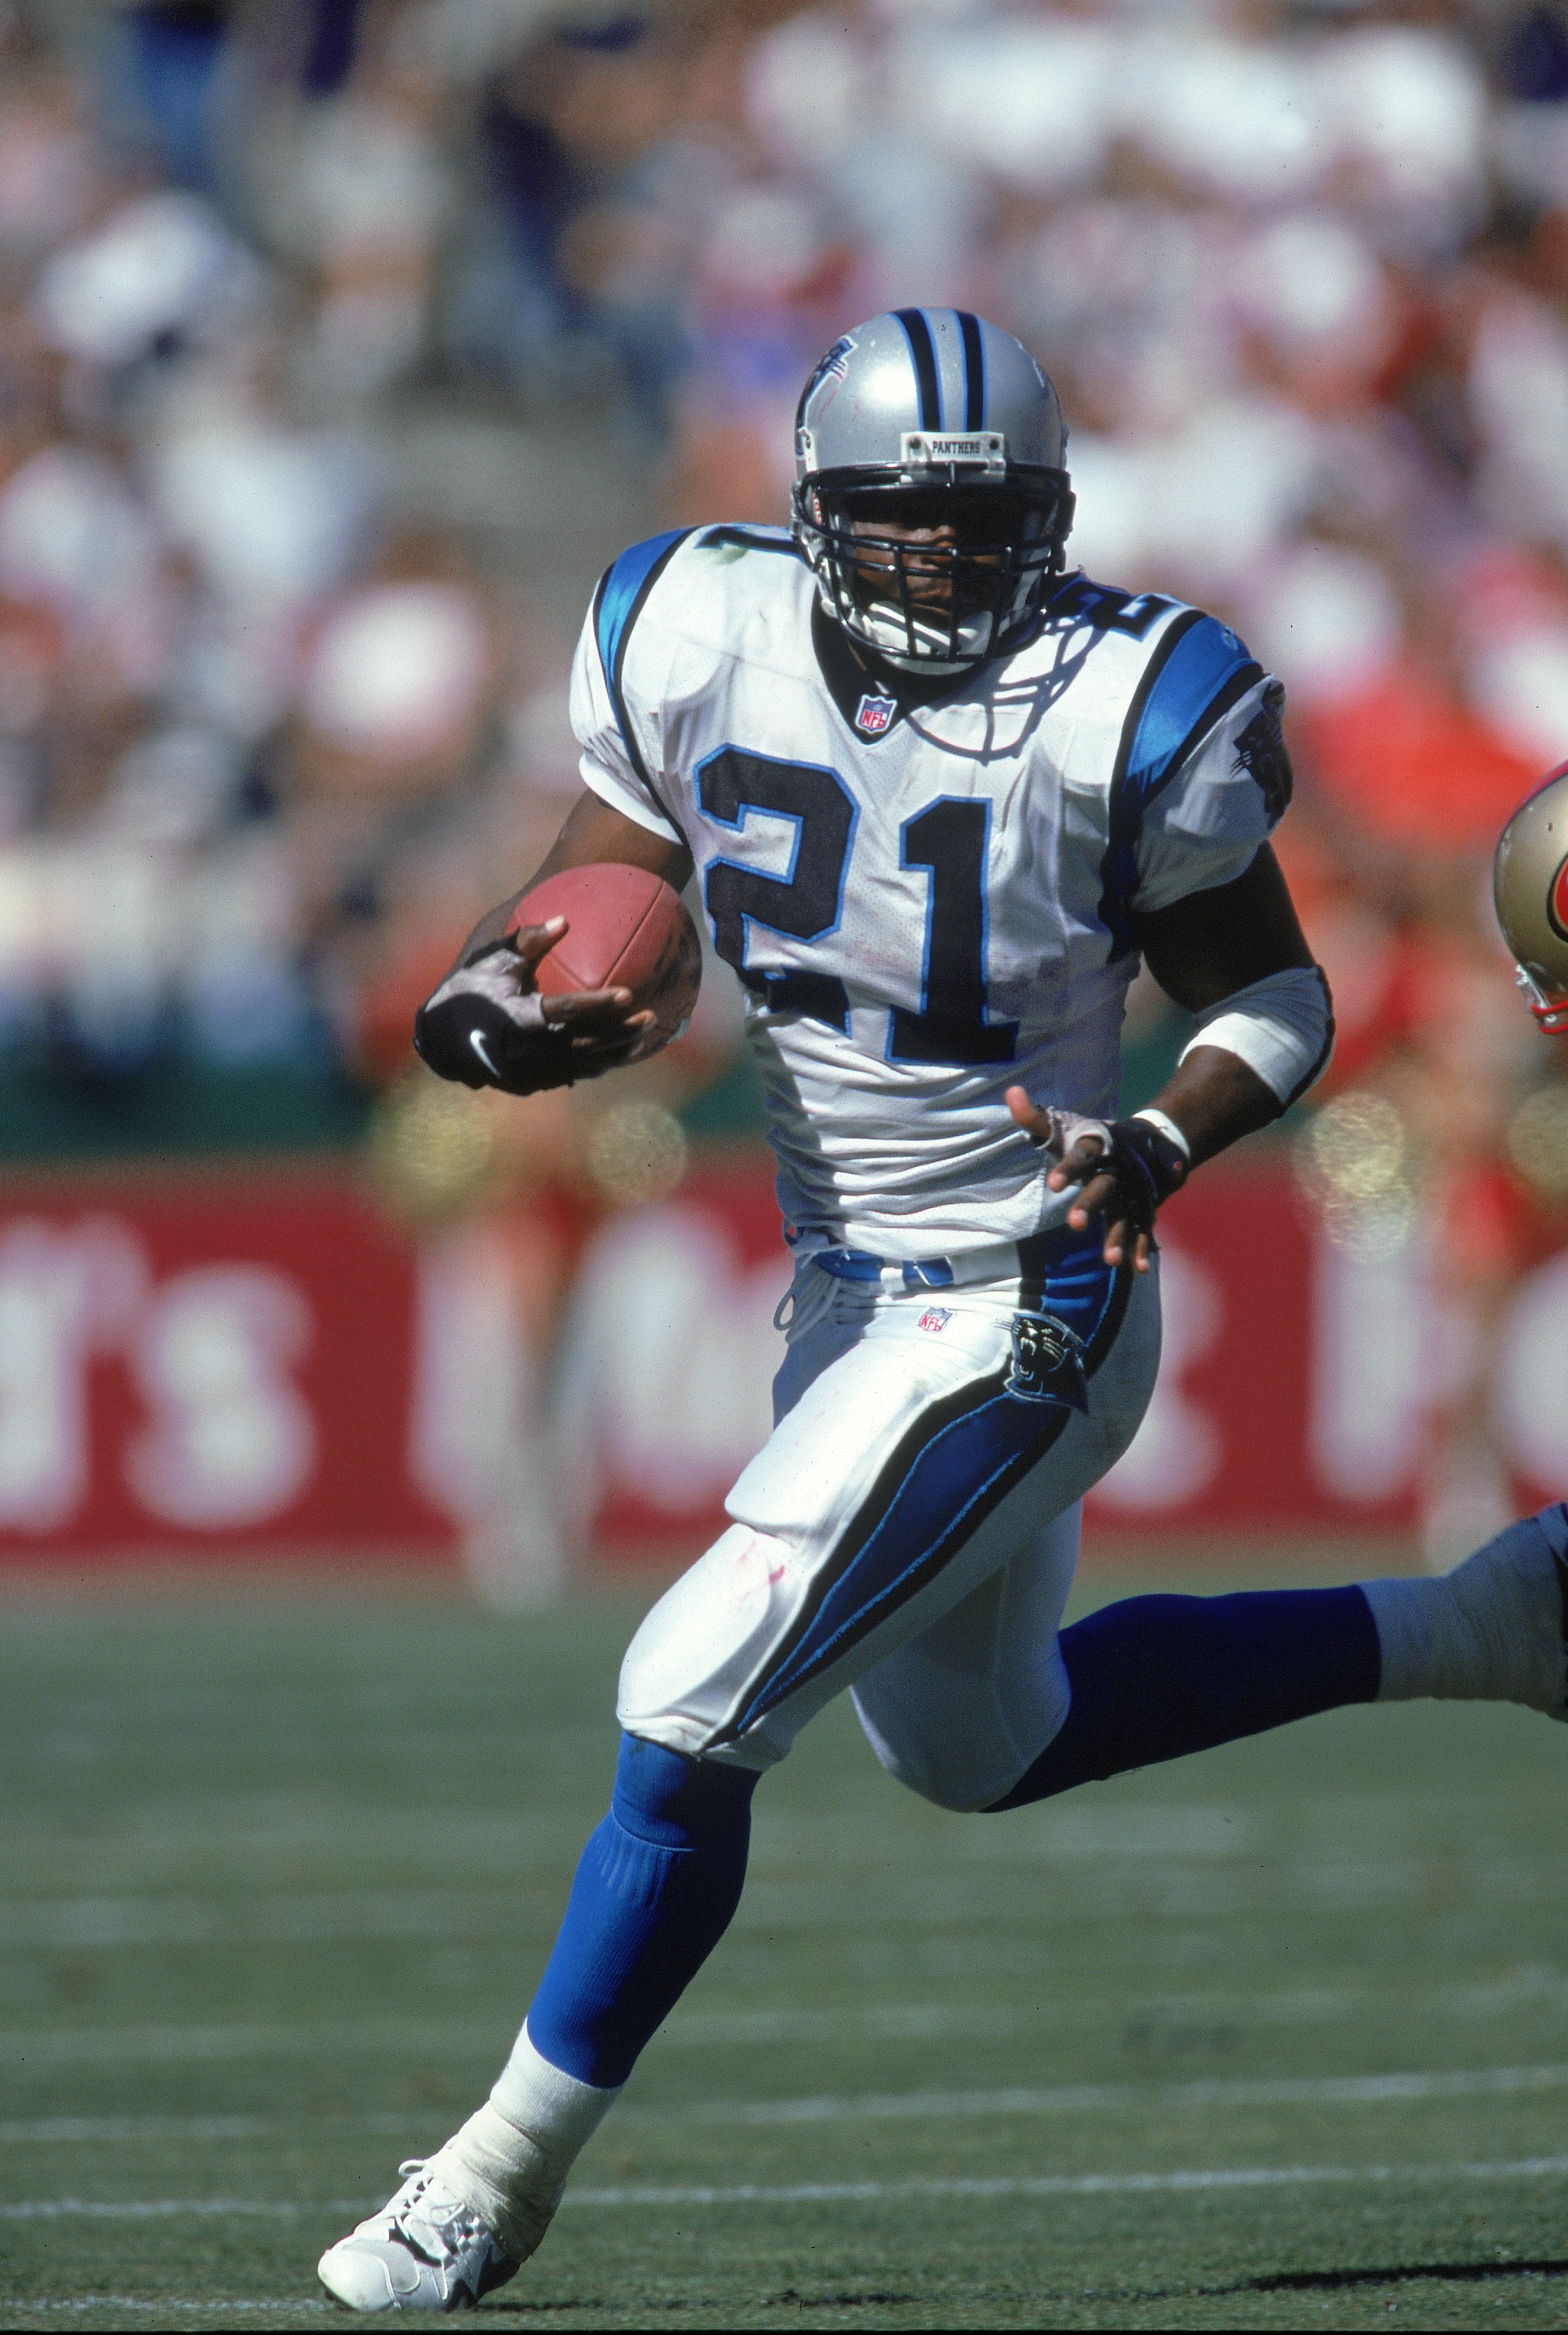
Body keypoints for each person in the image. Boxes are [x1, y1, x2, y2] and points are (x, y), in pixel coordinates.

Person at [318, 311, 1568, 2313]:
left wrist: (1151, 1142)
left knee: (686, 1696)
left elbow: (1282, 997)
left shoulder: (1128, 700)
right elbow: (622, 860)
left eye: (987, 527)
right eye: (901, 525)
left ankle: (487, 2174)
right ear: (815, 517)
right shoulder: (683, 627)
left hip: (1034, 1277)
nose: (944, 564)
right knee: (986, 1743)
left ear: (1048, 521)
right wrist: (524, 969)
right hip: (849, 1283)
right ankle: (1491, 1620)